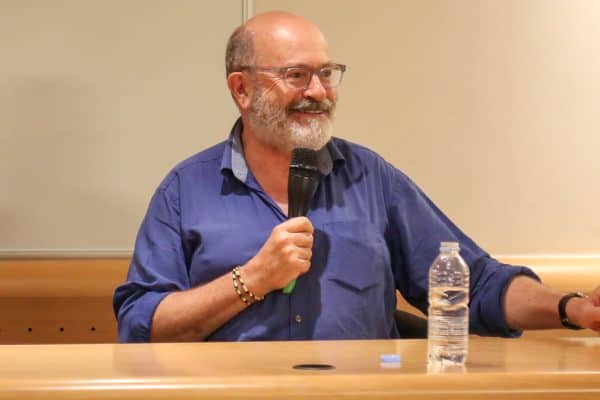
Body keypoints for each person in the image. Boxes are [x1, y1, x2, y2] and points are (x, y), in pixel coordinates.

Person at [113, 11, 600, 342]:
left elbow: (476, 285)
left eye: (327, 73)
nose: (319, 91)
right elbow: (140, 322)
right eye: (297, 75)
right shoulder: (185, 190)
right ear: (242, 89)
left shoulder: (371, 178)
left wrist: (571, 308)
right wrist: (253, 279)